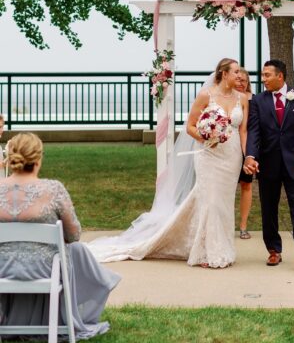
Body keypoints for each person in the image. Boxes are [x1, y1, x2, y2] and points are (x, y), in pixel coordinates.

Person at [88, 58, 248, 269]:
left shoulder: (242, 98)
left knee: (224, 203)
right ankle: (207, 252)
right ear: (224, 73)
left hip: (232, 156)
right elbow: (191, 126)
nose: (239, 75)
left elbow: (243, 130)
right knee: (209, 201)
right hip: (209, 155)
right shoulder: (205, 95)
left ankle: (223, 247)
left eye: (239, 72)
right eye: (235, 72)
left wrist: (247, 157)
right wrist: (207, 136)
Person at [0, 132, 120, 339]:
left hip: (3, 267)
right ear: (38, 159)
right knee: (76, 251)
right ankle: (91, 292)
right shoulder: (54, 190)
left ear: (10, 159)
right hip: (45, 269)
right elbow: (74, 235)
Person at [244, 59, 294, 269]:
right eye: (263, 75)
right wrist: (251, 156)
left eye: (267, 75)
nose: (263, 79)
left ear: (280, 76)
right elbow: (254, 132)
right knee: (269, 210)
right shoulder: (258, 100)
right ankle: (274, 251)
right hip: (268, 164)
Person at [235, 67, 254, 239]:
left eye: (244, 80)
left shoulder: (254, 100)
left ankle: (243, 226)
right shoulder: (227, 98)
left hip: (249, 148)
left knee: (246, 185)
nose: (241, 83)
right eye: (238, 79)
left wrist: (248, 153)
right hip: (229, 147)